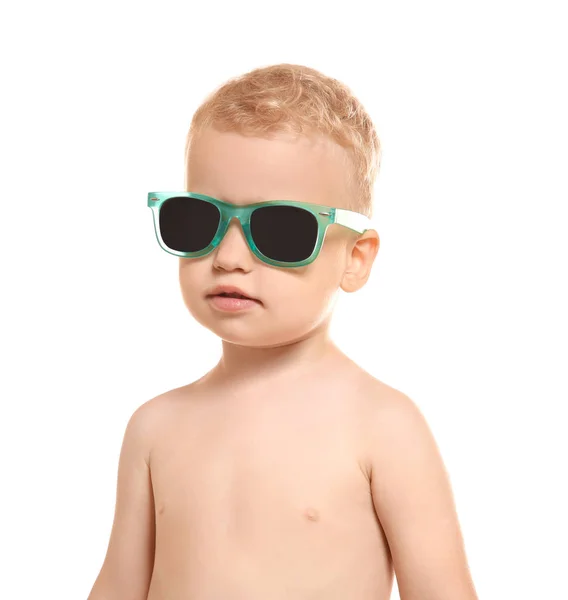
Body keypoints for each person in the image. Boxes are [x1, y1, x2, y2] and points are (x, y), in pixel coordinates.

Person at [88, 63, 478, 600]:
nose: (227, 258)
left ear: (356, 259)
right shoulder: (154, 427)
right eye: (198, 218)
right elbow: (117, 588)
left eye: (280, 230)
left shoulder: (383, 427)